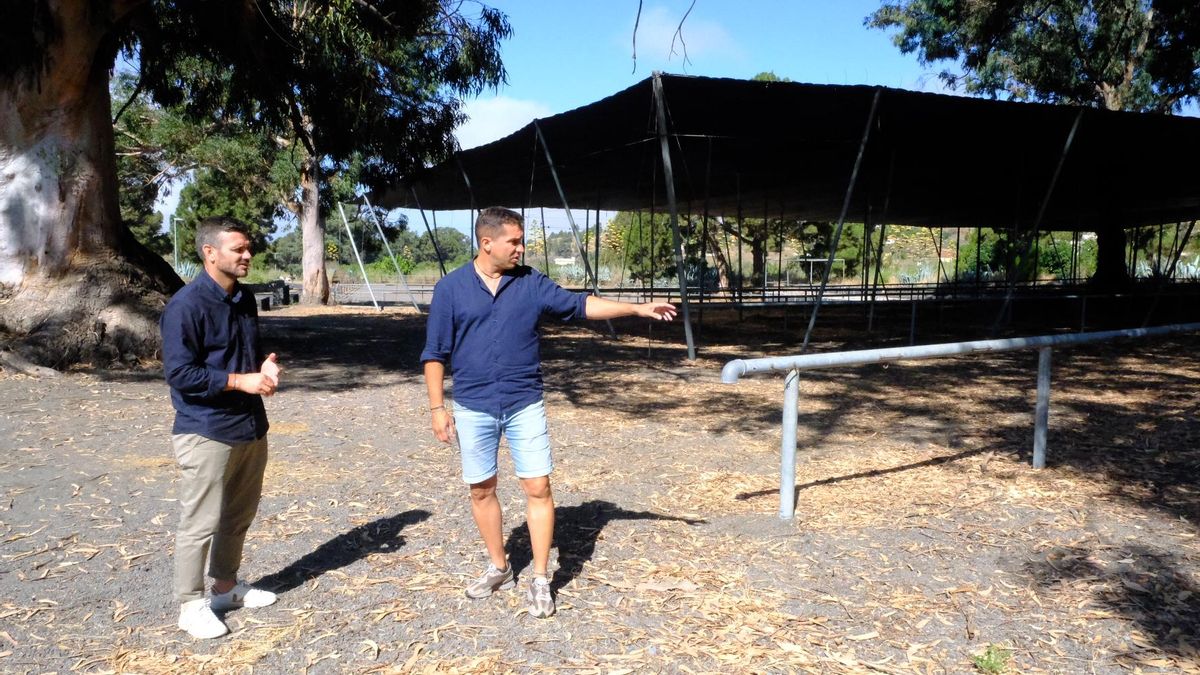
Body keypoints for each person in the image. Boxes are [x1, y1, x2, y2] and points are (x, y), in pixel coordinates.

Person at [421, 206, 676, 619]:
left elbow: (580, 305)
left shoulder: (530, 282)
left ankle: (540, 578)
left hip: (524, 402)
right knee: (481, 488)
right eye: (514, 242)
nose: (521, 249)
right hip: (472, 404)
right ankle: (499, 567)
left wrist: (636, 308)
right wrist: (437, 408)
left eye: (521, 241)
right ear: (487, 243)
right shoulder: (451, 288)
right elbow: (434, 353)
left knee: (538, 487)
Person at [160, 216, 282, 639]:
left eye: (248, 248)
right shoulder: (185, 306)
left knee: (238, 514)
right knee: (200, 522)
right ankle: (190, 605)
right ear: (210, 253)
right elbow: (180, 374)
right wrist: (238, 381)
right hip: (206, 429)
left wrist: (263, 369)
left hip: (249, 426)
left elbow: (243, 358)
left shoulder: (244, 298)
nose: (248, 255)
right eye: (238, 249)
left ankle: (226, 588)